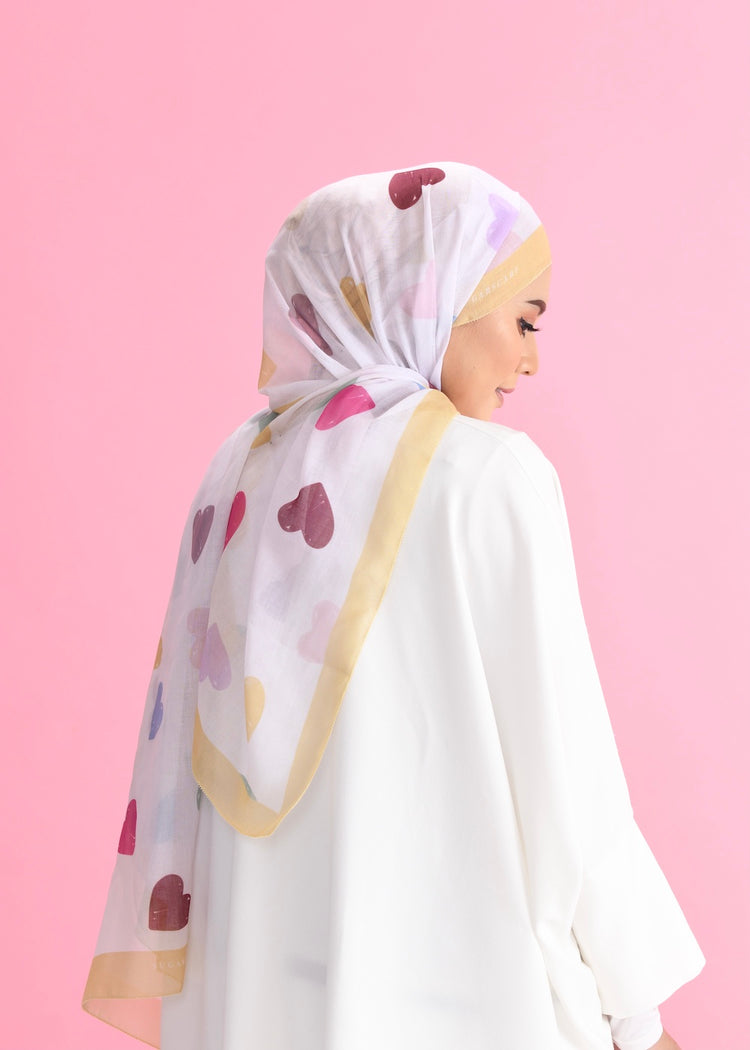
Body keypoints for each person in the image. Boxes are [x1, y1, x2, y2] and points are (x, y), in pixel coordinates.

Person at [81, 162, 705, 1050]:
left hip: (259, 1001)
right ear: (437, 297)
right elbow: (567, 780)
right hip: (467, 1000)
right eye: (524, 320)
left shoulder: (236, 477)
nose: (532, 360)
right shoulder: (491, 477)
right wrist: (636, 1016)